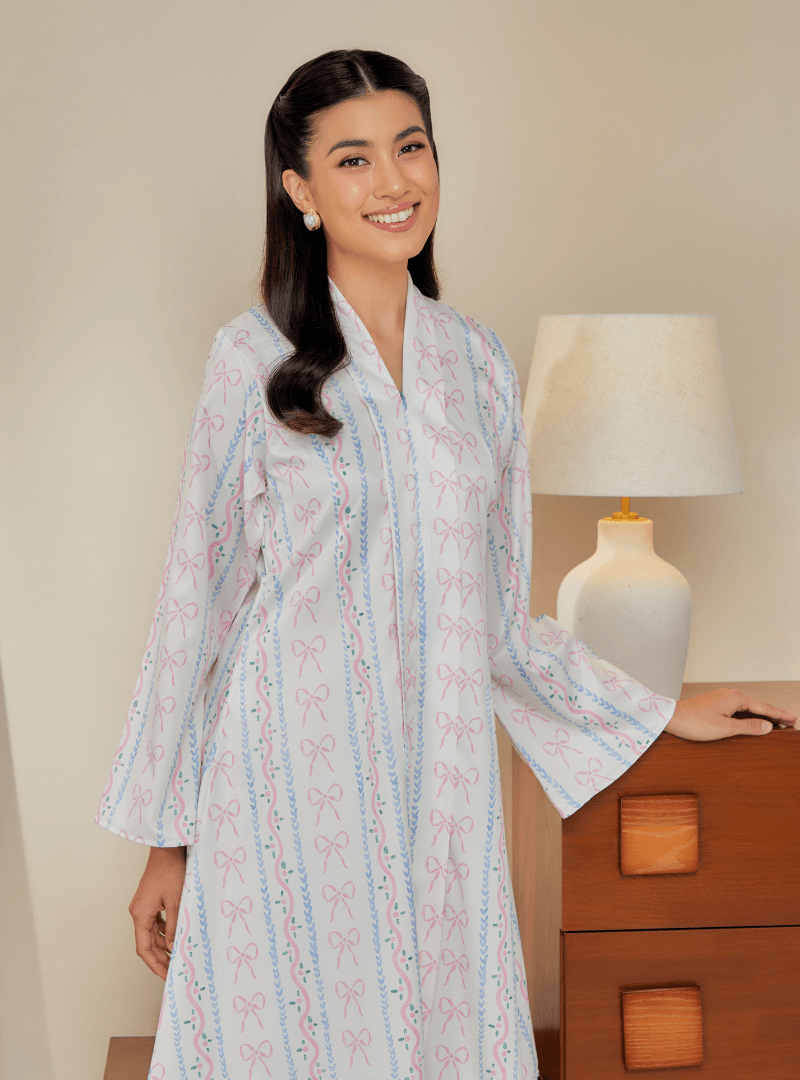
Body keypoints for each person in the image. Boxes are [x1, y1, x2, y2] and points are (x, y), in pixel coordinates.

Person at [96, 48, 797, 1080]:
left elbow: (498, 623)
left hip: (443, 781)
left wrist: (657, 708)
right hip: (287, 781)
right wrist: (168, 840)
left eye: (411, 147)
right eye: (352, 160)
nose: (393, 182)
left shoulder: (477, 364)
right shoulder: (249, 360)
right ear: (299, 191)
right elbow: (195, 606)